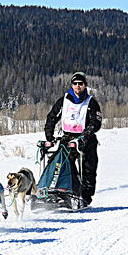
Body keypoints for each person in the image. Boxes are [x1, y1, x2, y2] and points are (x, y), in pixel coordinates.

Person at [44, 72, 102, 206]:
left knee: (89, 169)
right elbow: (51, 118)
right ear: (71, 85)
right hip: (67, 138)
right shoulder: (64, 101)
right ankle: (65, 193)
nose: (78, 86)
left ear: (85, 85)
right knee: (62, 165)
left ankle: (85, 197)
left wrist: (84, 137)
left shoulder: (91, 102)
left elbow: (96, 123)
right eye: (75, 84)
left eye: (80, 84)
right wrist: (49, 137)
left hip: (86, 139)